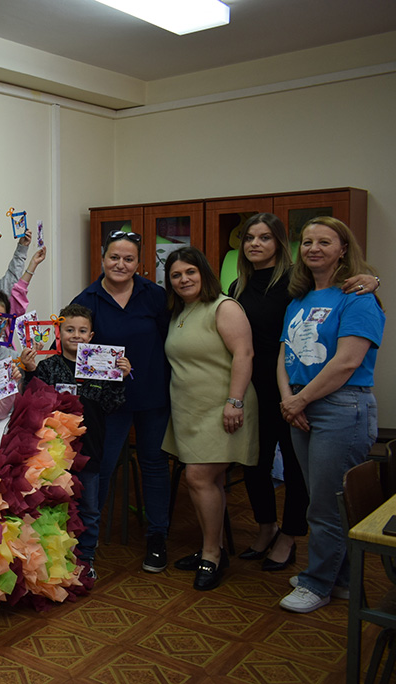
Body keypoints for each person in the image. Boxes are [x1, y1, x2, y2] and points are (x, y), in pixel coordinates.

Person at [229, 213, 379, 570]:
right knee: (255, 463)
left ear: (280, 244)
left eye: (265, 237)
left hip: (302, 390)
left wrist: (374, 279)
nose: (255, 244)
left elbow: (343, 290)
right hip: (257, 388)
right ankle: (266, 527)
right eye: (249, 237)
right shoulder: (237, 287)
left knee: (299, 470)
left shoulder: (295, 282)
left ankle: (290, 536)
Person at [278, 217, 384, 613]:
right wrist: (289, 399)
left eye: (324, 242)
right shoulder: (298, 300)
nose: (313, 249)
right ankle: (340, 579)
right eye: (307, 242)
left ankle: (317, 584)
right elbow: (284, 354)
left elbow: (347, 362)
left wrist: (299, 400)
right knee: (321, 501)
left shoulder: (358, 297)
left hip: (341, 407)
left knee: (327, 506)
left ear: (343, 249)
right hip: (301, 406)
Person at [72, 230, 171, 572]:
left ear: (139, 264)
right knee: (100, 468)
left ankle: (157, 537)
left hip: (152, 396)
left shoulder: (154, 295)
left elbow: (169, 339)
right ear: (103, 259)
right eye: (114, 257)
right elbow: (74, 347)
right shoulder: (88, 299)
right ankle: (88, 542)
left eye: (129, 259)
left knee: (154, 464)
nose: (120, 264)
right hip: (107, 403)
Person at [161, 247, 258, 590]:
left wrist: (234, 401)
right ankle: (211, 547)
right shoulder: (180, 311)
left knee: (198, 477)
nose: (184, 279)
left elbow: (244, 353)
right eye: (176, 275)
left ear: (204, 272)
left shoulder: (224, 307)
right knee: (206, 481)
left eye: (190, 272)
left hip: (223, 408)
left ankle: (212, 554)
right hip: (189, 410)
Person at [21, 303, 130, 580]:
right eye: (70, 330)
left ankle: (86, 557)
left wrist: (119, 378)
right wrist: (30, 370)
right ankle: (56, 560)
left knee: (89, 508)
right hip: (54, 454)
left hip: (90, 450)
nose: (76, 335)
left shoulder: (102, 365)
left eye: (82, 331)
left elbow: (112, 405)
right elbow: (33, 400)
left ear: (91, 336)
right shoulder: (48, 366)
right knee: (55, 506)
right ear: (58, 332)